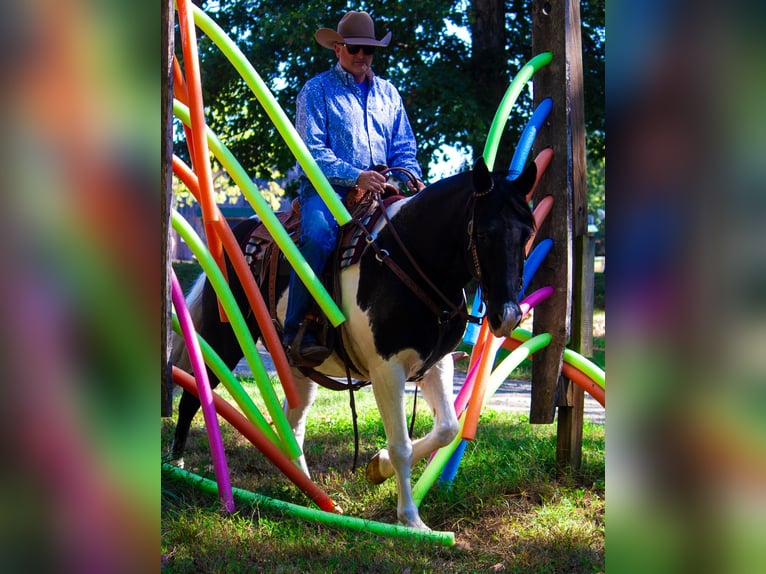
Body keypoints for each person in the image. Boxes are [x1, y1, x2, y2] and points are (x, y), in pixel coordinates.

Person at [283, 10, 426, 365]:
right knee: (317, 236)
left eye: (369, 50)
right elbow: (310, 153)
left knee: (429, 231)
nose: (362, 56)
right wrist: (356, 175)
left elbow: (404, 146)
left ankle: (421, 322)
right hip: (327, 189)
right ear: (337, 48)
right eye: (354, 49)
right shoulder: (315, 90)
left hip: (381, 188)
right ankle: (298, 328)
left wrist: (410, 173)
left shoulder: (388, 94)